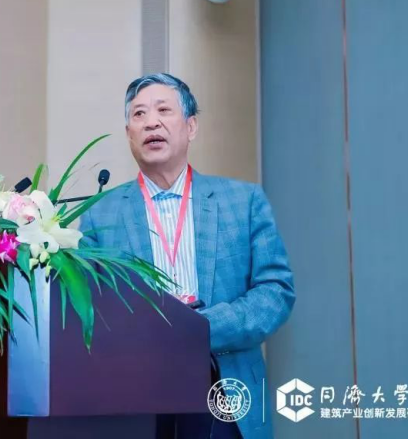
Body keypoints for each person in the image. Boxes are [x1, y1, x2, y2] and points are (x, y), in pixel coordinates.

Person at [79, 73, 295, 439]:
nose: (151, 122)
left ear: (191, 126)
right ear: (129, 133)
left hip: (225, 387)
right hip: (135, 393)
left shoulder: (243, 201)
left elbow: (276, 291)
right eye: (139, 114)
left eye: (164, 110)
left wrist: (203, 328)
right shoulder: (100, 214)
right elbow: (88, 306)